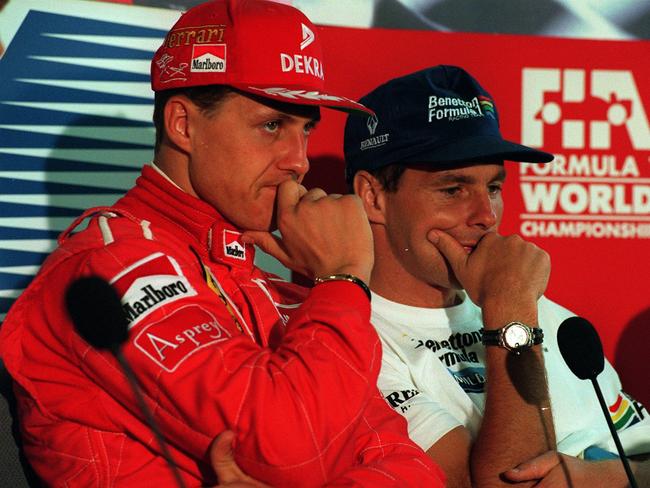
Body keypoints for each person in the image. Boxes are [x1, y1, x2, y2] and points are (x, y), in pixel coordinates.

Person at [0, 1, 445, 486]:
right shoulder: (107, 265)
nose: (298, 161)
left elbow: (415, 467)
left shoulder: (264, 284)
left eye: (307, 130)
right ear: (183, 125)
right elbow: (289, 448)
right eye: (272, 125)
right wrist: (343, 277)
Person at [343, 65, 650, 487]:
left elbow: (638, 444)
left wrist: (606, 478)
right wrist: (508, 310)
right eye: (453, 190)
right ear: (373, 196)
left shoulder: (544, 313)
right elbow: (507, 484)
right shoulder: (352, 344)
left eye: (493, 188)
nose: (485, 216)